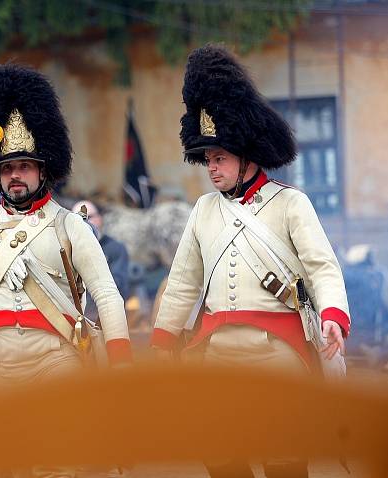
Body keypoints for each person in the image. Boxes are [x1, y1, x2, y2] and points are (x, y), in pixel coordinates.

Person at [150, 45, 351, 478]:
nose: (212, 169)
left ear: (247, 156)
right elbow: (183, 281)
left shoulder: (290, 203)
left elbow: (321, 266)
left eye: (219, 158)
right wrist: (163, 338)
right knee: (219, 457)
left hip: (277, 353)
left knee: (283, 460)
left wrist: (334, 313)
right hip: (216, 354)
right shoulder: (203, 210)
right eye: (208, 159)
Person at [0, 64, 133, 396]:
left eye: (24, 166)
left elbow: (106, 294)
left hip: (58, 363)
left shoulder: (71, 226)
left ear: (43, 170)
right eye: (7, 167)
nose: (15, 175)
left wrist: (121, 362)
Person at [71, 200, 130, 321]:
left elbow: (118, 289)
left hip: (103, 320)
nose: (84, 223)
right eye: (77, 219)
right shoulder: (66, 249)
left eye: (89, 217)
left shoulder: (116, 248)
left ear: (99, 218)